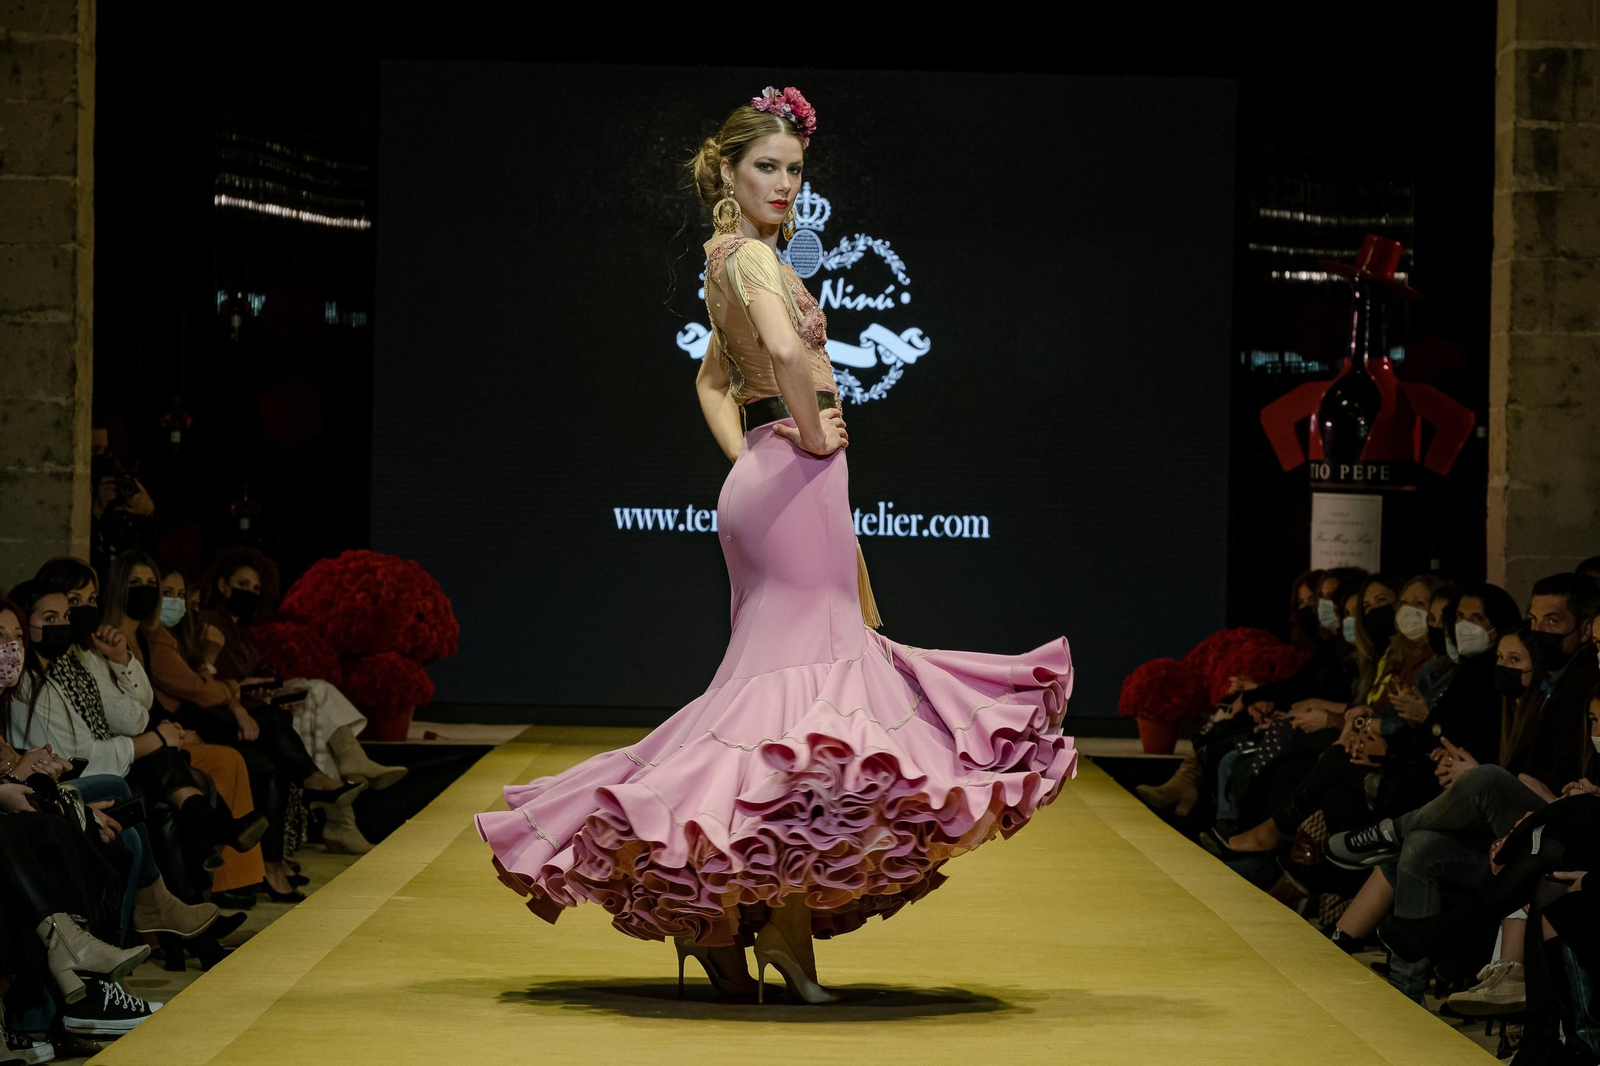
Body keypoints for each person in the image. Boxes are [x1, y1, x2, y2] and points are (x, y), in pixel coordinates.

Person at [473, 87, 1076, 1005]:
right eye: (767, 167)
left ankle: (714, 927)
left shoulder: (724, 262)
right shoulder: (752, 258)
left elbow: (714, 382)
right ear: (727, 170)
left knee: (783, 708)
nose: (785, 184)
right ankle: (784, 937)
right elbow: (790, 364)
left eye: (795, 170)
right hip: (794, 479)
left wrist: (755, 452)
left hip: (771, 481)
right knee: (812, 713)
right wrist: (813, 430)